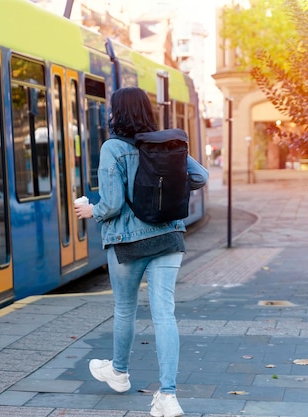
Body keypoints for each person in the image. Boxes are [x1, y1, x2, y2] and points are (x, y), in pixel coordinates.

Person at [74, 86, 208, 417]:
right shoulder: (168, 143)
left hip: (127, 241)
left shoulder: (113, 148)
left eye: (111, 109)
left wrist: (91, 210)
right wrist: (170, 190)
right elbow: (200, 176)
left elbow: (113, 203)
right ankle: (168, 395)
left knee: (125, 309)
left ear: (118, 113)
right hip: (168, 236)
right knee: (165, 314)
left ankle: (119, 373)